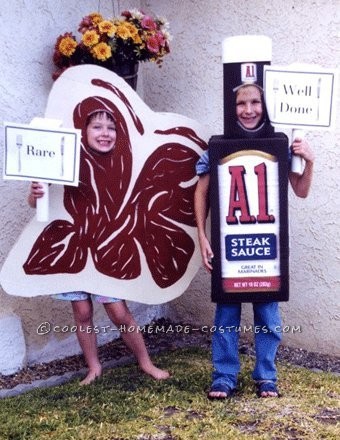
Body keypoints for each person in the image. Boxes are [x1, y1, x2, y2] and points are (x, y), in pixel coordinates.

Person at [28, 108, 170, 385]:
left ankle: (145, 362)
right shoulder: (66, 157)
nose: (104, 133)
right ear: (84, 130)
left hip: (108, 247)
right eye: (97, 127)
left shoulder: (122, 163)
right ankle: (94, 367)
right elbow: (37, 202)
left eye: (110, 128)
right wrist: (36, 193)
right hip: (75, 246)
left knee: (118, 311)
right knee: (81, 312)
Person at [194, 83, 315, 399]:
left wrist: (309, 161)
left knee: (268, 317)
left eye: (255, 102)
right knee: (226, 316)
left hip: (266, 248)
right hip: (230, 244)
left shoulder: (278, 145)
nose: (248, 110)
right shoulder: (217, 149)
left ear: (266, 104)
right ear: (231, 107)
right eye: (241, 103)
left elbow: (301, 191)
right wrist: (202, 237)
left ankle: (266, 375)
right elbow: (201, 192)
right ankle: (224, 375)